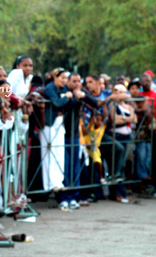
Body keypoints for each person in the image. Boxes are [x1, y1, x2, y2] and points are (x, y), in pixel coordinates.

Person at [58, 73, 98, 210]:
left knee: (75, 167)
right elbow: (65, 105)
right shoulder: (63, 91)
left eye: (78, 81)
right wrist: (75, 97)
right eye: (73, 81)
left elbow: (96, 103)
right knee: (64, 167)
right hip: (61, 134)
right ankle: (64, 198)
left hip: (75, 135)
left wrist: (84, 96)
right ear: (68, 82)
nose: (76, 84)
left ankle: (74, 196)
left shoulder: (81, 92)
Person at [41, 67, 70, 193]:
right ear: (55, 77)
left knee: (59, 153)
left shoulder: (63, 89)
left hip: (60, 122)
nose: (64, 81)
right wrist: (66, 97)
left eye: (65, 78)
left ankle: (58, 181)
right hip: (50, 123)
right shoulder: (50, 88)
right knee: (49, 153)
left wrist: (67, 96)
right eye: (62, 78)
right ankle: (49, 183)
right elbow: (57, 102)